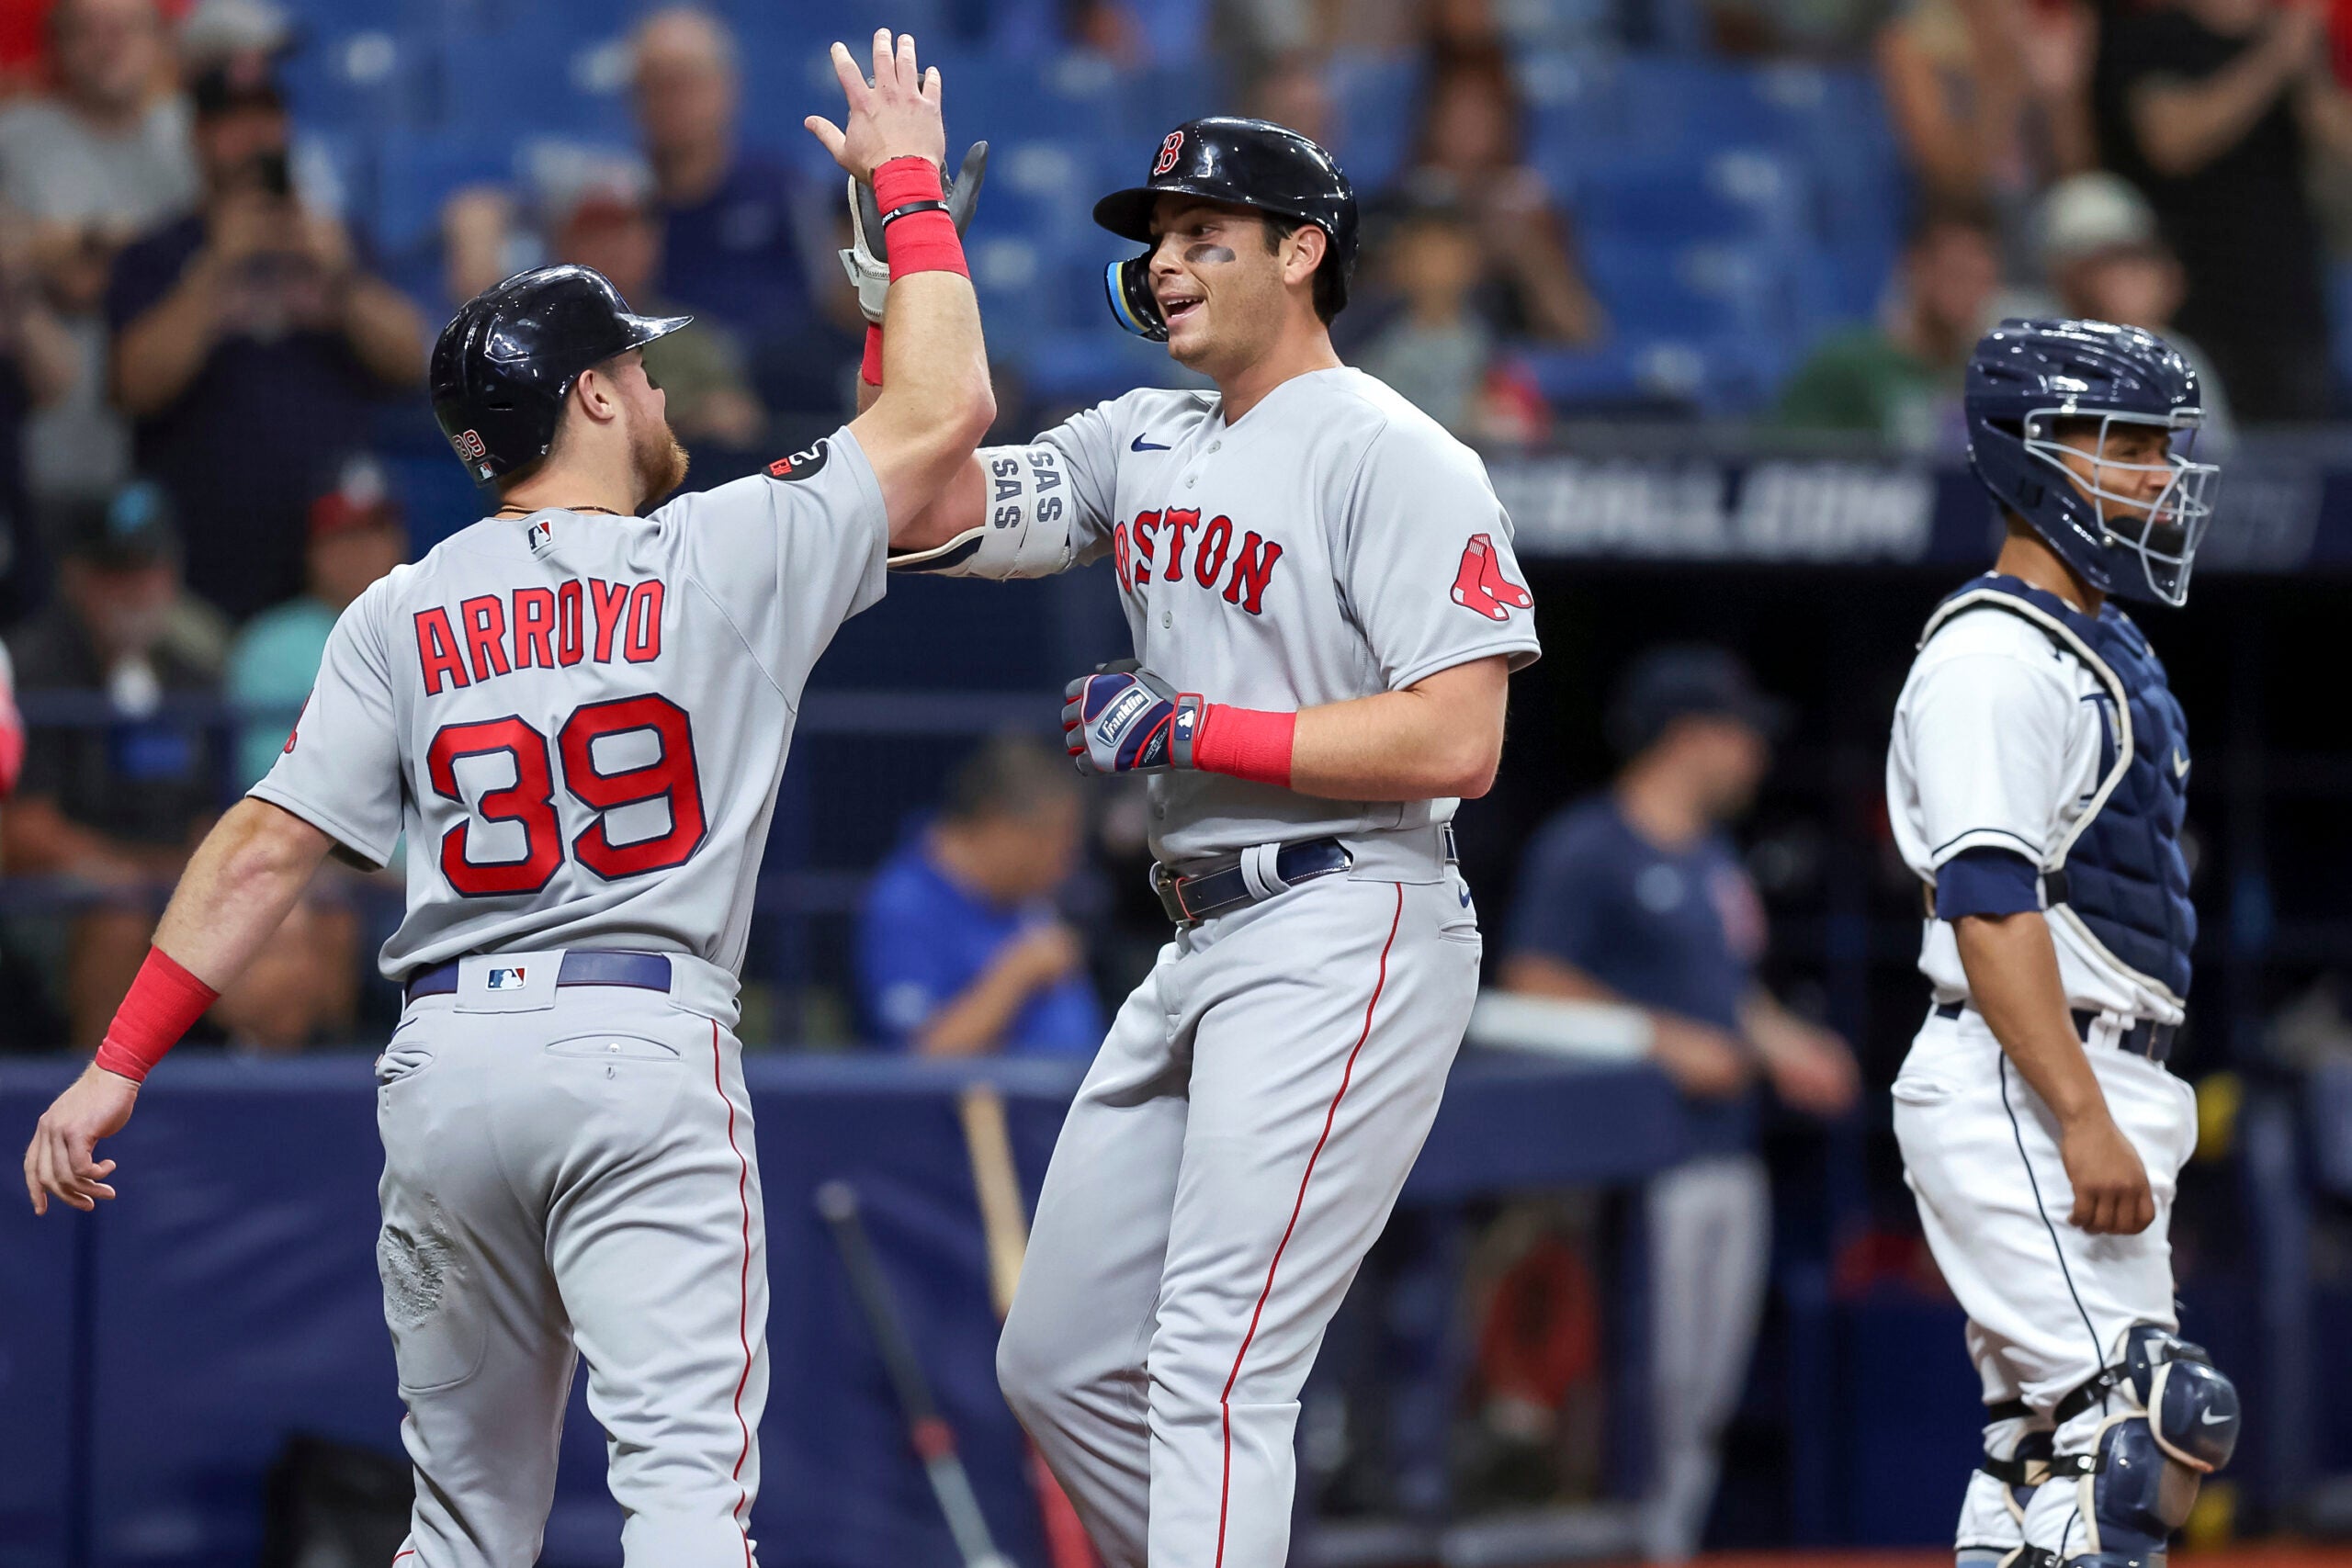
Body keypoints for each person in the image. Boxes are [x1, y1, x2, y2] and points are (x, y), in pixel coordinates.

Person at [22, 30, 995, 1565]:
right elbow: (944, 418)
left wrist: (116, 1061)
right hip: (638, 1033)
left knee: (466, 1525)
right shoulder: (722, 547)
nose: (658, 382)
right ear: (593, 398)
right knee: (681, 1501)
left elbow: (270, 842)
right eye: (637, 363)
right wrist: (909, 196)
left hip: (449, 1054)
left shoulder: (404, 604)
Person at [884, 116, 1543, 1568]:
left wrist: (1195, 730)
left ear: (1301, 253)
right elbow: (920, 509)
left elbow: (1457, 741)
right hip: (1201, 934)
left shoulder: (1397, 453)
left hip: (1346, 907)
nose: (1165, 264)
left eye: (1203, 237)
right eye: (1157, 240)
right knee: (1055, 1359)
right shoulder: (1142, 435)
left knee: (1215, 1365)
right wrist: (904, 289)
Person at [1886, 319, 2238, 1567]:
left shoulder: (2101, 644)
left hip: (2074, 1073)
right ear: (2033, 455)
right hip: (2022, 1076)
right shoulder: (1994, 653)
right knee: (2133, 1428)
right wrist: (2078, 1108)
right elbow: (1988, 902)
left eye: (2161, 446)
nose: (2155, 474)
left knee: (2039, 1441)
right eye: (2126, 444)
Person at [1500, 645, 1857, 1562]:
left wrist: (1785, 1047)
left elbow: (1728, 996)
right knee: (1639, 1393)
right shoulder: (1588, 846)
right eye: (1740, 735)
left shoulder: (1711, 860)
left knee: (1703, 1395)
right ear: (1690, 735)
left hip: (1726, 1154)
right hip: (1634, 1171)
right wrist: (1661, 1038)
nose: (1754, 757)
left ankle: (1667, 1549)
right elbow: (1527, 982)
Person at [1, 479, 343, 1051]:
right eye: (116, 571)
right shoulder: (32, 668)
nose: (136, 589)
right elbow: (26, 834)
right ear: (77, 576)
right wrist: (128, 874)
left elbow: (217, 815)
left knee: (297, 916)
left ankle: (272, 1100)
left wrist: (194, 875)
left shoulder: (194, 672)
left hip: (170, 878)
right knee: (118, 920)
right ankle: (93, 1109)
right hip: (62, 897)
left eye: (150, 569)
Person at [106, 53, 424, 621]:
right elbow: (133, 387)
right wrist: (213, 270)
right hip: (202, 571)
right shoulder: (158, 254)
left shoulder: (333, 240)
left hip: (336, 569)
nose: (253, 137)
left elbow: (410, 361)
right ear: (198, 136)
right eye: (232, 122)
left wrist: (341, 279)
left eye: (266, 117)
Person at [2095, 0, 2352, 422]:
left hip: (2290, 301)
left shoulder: (2294, 36)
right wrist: (2273, 58)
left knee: (2300, 465)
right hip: (2191, 300)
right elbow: (2171, 142)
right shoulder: (2151, 34)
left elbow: (2340, 146)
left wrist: (2307, 72)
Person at [0, 0, 198, 516]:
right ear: (58, 46)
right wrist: (85, 243)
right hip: (58, 429)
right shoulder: (16, 137)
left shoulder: (189, 134)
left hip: (181, 424)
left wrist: (89, 250)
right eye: (86, 31)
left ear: (160, 41)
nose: (108, 46)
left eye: (124, 29)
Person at [855, 733, 1102, 1057]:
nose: (1066, 861)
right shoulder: (903, 905)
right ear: (998, 824)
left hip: (1071, 1099)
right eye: (1054, 839)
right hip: (982, 1107)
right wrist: (1020, 972)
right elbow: (922, 1060)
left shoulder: (1026, 900)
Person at [1384, 45, 1601, 345]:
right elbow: (1355, 319)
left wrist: (1528, 251)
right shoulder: (1398, 207)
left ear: (1507, 122)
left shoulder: (1532, 211)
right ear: (1431, 120)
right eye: (1456, 111)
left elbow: (1582, 332)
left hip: (1505, 368)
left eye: (1484, 112)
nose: (1469, 126)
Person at [632, 7, 813, 352]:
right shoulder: (616, 205)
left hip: (777, 384)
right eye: (655, 85)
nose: (671, 100)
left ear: (727, 86)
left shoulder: (779, 189)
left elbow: (827, 302)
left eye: (685, 82)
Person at [224, 454, 404, 789]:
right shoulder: (269, 647)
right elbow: (275, 787)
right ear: (312, 550)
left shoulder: (437, 623)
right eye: (345, 535)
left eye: (375, 531)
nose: (363, 550)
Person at [1875, 0, 2095, 268]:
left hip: (2044, 220)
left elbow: (2077, 173)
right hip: (1967, 234)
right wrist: (2001, 72)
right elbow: (1955, 182)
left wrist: (2063, 97)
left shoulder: (2043, 32)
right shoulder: (1913, 40)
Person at [2036, 172, 2235, 454]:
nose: (2125, 276)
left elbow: (2221, 466)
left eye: (2133, 258)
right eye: (2105, 262)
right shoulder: (2035, 351)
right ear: (2062, 272)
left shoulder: (2179, 356)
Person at [1777, 202, 1999, 455]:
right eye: (1956, 274)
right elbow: (1782, 465)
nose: (1968, 292)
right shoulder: (1845, 363)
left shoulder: (1983, 379)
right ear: (1915, 266)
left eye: (1980, 278)